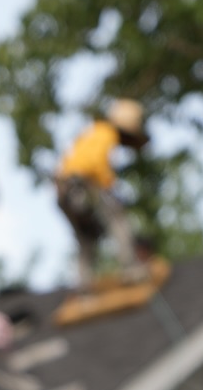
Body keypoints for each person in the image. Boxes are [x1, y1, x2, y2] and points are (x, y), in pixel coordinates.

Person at [56, 97, 148, 285]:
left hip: (63, 189)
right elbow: (96, 163)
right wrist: (109, 185)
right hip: (82, 185)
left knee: (87, 236)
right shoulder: (107, 133)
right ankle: (130, 269)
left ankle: (84, 283)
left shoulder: (92, 131)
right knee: (118, 220)